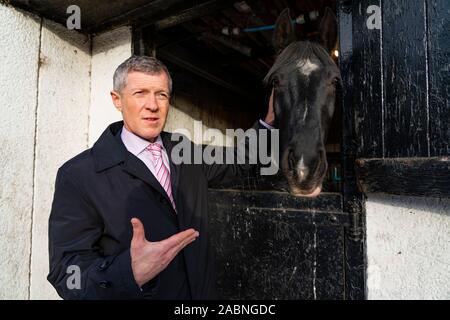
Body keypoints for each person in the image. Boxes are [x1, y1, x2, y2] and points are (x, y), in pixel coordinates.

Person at [47, 55, 275, 299]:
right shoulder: (78, 175)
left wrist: (269, 121)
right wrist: (128, 272)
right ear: (117, 100)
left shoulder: (184, 151)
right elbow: (66, 273)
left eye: (161, 95)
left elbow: (240, 161)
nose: (153, 105)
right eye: (140, 93)